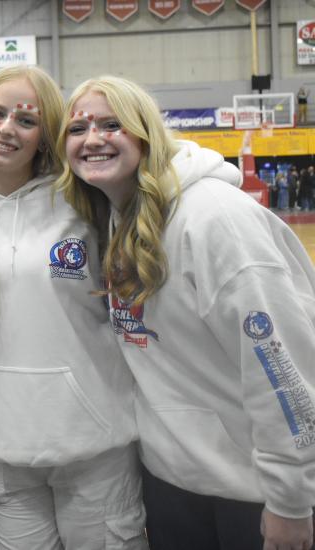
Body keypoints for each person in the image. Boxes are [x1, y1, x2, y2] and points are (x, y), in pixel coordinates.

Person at [57, 75, 315, 550]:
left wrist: (291, 498)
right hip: (173, 484)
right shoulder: (115, 216)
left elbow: (283, 364)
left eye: (112, 124)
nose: (93, 138)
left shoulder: (216, 218)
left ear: (146, 134)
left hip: (253, 494)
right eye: (78, 129)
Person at [0, 65, 146, 550]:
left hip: (97, 449)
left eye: (27, 120)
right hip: (5, 450)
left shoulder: (89, 203)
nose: (7, 128)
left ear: (45, 137)